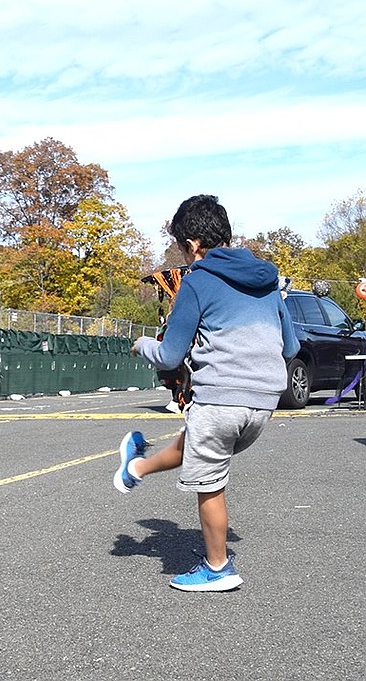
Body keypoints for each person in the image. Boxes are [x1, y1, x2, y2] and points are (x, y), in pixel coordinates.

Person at [115, 195, 299, 592]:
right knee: (198, 443)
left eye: (182, 247)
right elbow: (290, 347)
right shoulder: (269, 281)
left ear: (194, 243)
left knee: (209, 483)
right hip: (264, 403)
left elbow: (168, 356)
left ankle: (218, 568)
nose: (184, 256)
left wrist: (141, 344)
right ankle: (135, 468)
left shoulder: (198, 280)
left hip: (220, 397)